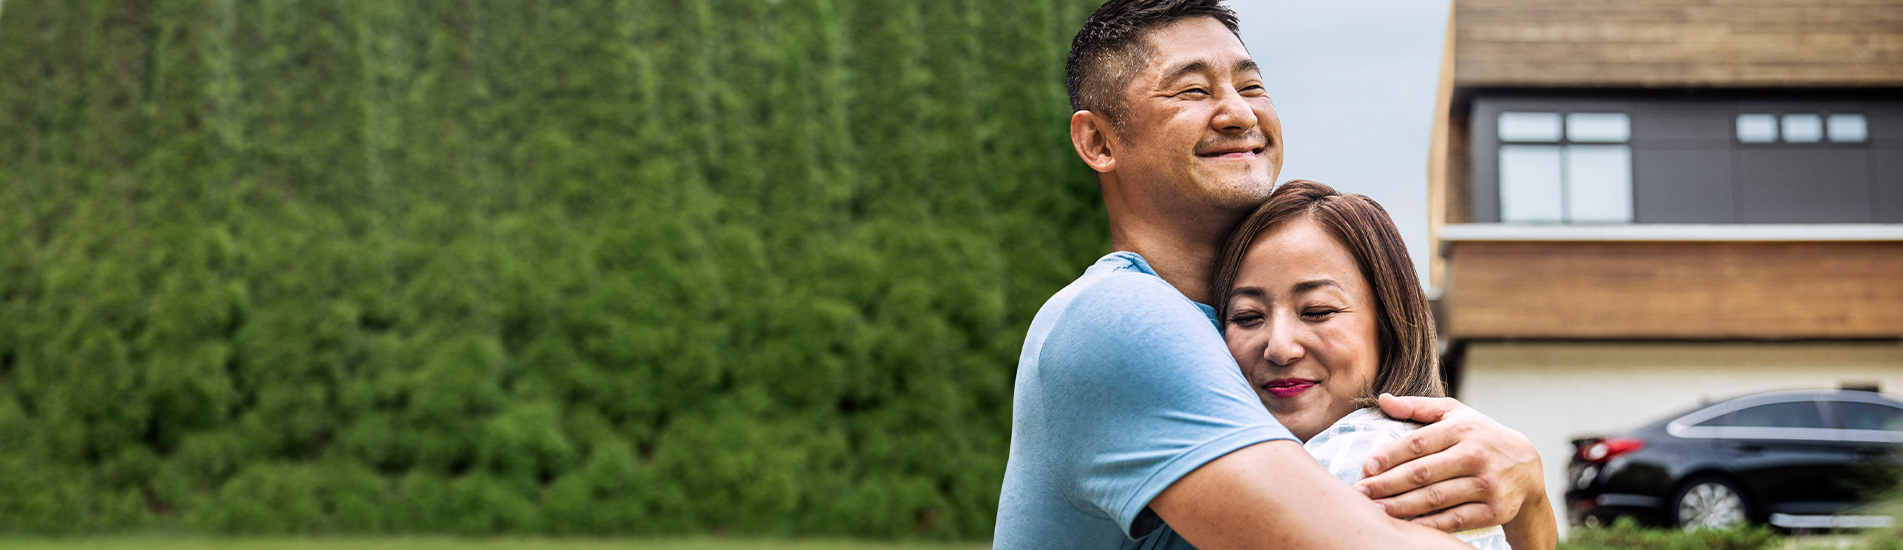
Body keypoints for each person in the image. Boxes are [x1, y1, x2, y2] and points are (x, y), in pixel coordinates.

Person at [993, 1, 1551, 548]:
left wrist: (1528, 495)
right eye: (1191, 90)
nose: (1239, 114)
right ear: (1098, 141)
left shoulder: (1239, 353)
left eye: (1252, 86)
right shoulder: (1119, 318)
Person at [1211, 180, 1556, 550]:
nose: (1280, 348)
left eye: (1318, 311)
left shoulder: (1364, 458)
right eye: (1247, 317)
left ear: (1388, 325)